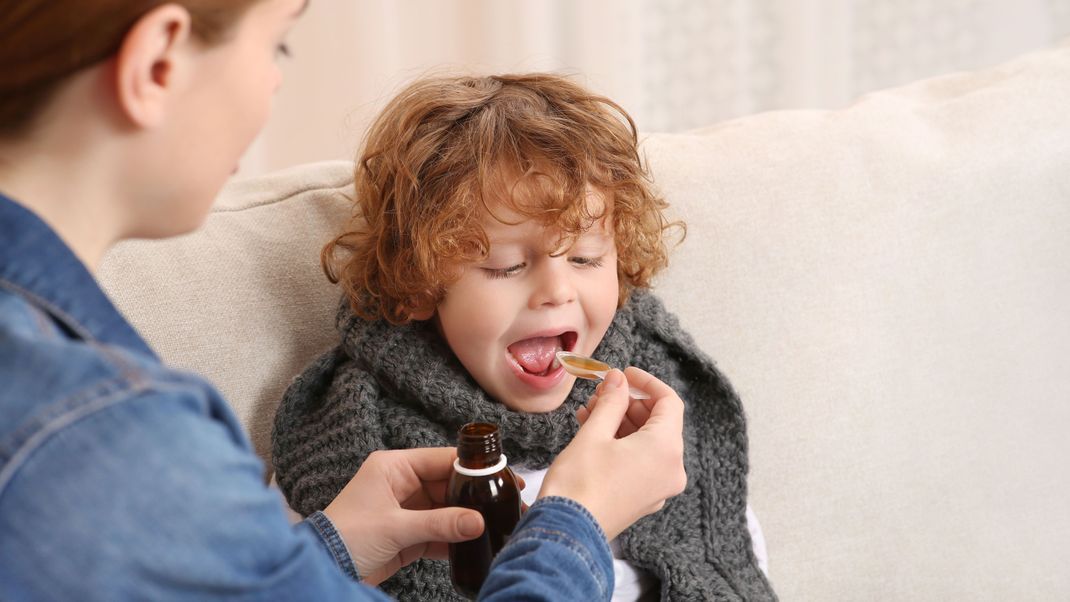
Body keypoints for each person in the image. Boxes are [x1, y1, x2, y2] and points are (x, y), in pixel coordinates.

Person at [0, 3, 687, 600]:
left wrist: (325, 553)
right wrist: (580, 522)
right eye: (278, 44)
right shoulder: (103, 433)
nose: (273, 83)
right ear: (157, 62)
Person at [272, 73, 778, 601]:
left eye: (585, 258)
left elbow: (734, 559)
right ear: (420, 285)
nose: (557, 291)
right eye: (506, 266)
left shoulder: (657, 404)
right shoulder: (344, 448)